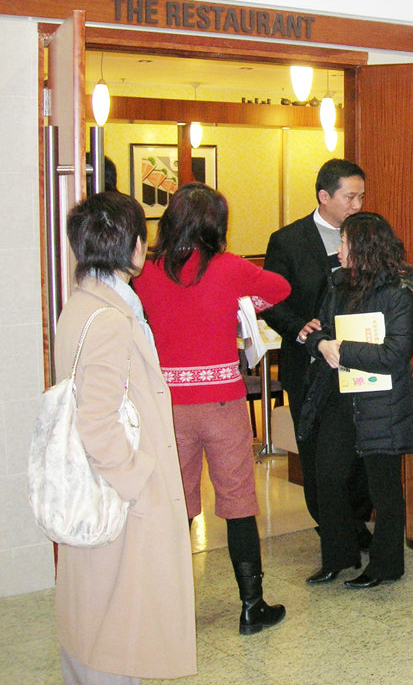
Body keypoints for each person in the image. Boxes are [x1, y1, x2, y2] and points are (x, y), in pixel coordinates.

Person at [134, 183, 291, 635]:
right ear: (216, 225)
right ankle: (251, 607)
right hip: (222, 401)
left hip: (169, 406)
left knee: (177, 506)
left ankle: (167, 612)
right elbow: (280, 288)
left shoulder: (147, 272)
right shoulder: (229, 268)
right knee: (238, 502)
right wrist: (244, 302)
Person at [53, 192, 195, 684]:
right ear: (133, 246)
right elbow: (97, 421)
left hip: (99, 489)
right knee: (119, 629)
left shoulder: (83, 304)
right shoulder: (112, 319)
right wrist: (139, 481)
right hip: (120, 494)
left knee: (98, 616)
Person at [261, 159, 374, 570]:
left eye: (361, 196)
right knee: (316, 455)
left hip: (357, 364)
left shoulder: (366, 236)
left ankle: (355, 522)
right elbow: (270, 301)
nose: (357, 205)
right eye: (350, 197)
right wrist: (300, 329)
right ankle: (332, 529)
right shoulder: (288, 241)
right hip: (309, 366)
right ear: (324, 196)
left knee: (360, 453)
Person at [303, 212, 413, 588]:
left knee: (383, 490)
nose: (338, 251)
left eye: (344, 244)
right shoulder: (338, 285)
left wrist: (342, 348)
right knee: (328, 478)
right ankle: (338, 557)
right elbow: (320, 329)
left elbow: (395, 353)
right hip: (339, 399)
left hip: (381, 403)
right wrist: (317, 341)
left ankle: (386, 565)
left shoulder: (398, 294)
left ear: (365, 249)